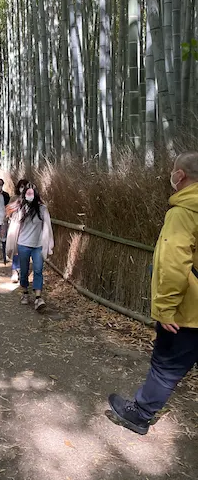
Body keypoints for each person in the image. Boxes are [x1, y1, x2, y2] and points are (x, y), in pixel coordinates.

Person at [108, 152, 198, 435]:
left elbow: (174, 263)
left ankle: (141, 413)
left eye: (173, 171)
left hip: (189, 310)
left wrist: (166, 307)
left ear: (180, 176)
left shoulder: (184, 211)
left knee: (166, 365)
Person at [10, 182, 54, 311]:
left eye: (32, 192)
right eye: (27, 192)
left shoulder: (43, 209)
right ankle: (24, 292)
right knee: (24, 271)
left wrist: (49, 244)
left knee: (38, 270)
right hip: (23, 244)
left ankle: (38, 298)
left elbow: (48, 227)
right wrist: (12, 245)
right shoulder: (20, 209)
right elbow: (14, 228)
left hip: (38, 245)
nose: (30, 194)